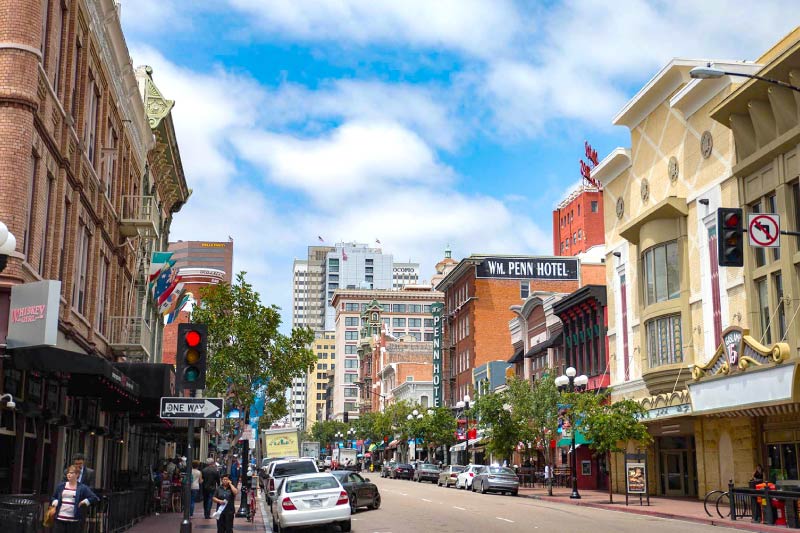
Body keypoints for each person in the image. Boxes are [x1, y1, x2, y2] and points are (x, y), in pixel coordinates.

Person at [51, 464, 100, 533]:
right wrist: (55, 502)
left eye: (71, 473)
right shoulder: (61, 486)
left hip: (74, 521)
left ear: (77, 474)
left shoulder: (82, 488)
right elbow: (53, 497)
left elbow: (95, 498)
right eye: (68, 473)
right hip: (59, 519)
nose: (69, 474)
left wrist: (85, 501)